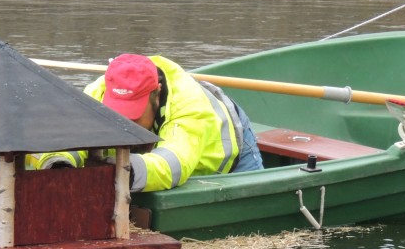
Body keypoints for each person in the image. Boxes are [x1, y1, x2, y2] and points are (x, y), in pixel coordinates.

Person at [28, 54, 263, 192]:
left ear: (156, 94)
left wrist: (118, 171)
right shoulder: (95, 95)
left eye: (133, 116)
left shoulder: (189, 107)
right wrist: (59, 165)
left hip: (231, 157)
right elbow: (64, 138)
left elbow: (173, 164)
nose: (125, 125)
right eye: (117, 113)